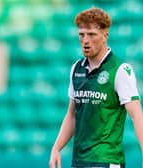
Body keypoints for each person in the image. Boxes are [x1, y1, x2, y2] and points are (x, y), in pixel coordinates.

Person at [49, 7, 143, 168]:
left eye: (91, 34)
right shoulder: (76, 69)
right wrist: (56, 148)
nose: (85, 40)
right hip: (79, 161)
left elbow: (136, 115)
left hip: (107, 160)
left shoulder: (120, 70)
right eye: (81, 35)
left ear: (105, 35)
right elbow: (72, 114)